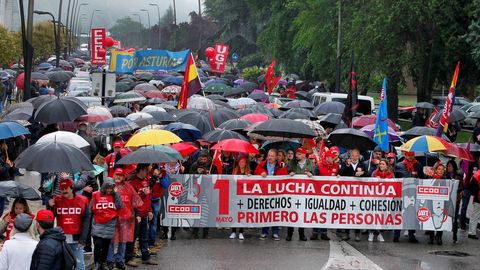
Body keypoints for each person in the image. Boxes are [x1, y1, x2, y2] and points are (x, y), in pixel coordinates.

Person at [48, 178, 91, 270]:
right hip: (62, 239)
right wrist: (50, 207)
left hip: (77, 239)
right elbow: (49, 219)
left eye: (66, 188)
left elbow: (86, 220)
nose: (64, 190)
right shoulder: (56, 200)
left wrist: (83, 239)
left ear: (72, 188)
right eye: (62, 188)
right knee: (63, 265)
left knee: (79, 265)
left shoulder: (83, 200)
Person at [107, 168, 143, 269]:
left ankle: (120, 260)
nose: (118, 177)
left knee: (123, 240)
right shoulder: (109, 186)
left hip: (125, 218)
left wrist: (138, 214)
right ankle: (110, 261)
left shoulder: (128, 187)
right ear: (113, 175)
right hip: (112, 218)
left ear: (123, 177)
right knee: (111, 240)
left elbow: (136, 201)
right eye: (116, 175)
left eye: (120, 175)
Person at [125, 164, 157, 266]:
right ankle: (128, 258)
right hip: (135, 214)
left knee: (144, 237)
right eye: (146, 171)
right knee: (132, 237)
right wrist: (142, 193)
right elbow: (132, 199)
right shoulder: (131, 182)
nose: (147, 173)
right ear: (141, 170)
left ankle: (146, 257)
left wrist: (150, 210)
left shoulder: (146, 179)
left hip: (144, 212)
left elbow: (148, 197)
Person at [255, 149, 288, 240]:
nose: (270, 157)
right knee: (265, 212)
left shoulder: (281, 166)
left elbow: (285, 177)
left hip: (276, 192)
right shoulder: (262, 165)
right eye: (269, 155)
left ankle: (275, 232)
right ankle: (264, 232)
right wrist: (260, 173)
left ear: (276, 157)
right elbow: (256, 172)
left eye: (272, 156)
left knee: (275, 212)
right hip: (265, 192)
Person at [91, 178, 124, 270]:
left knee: (106, 245)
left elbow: (120, 206)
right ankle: (97, 263)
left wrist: (116, 193)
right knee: (98, 244)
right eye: (107, 188)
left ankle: (103, 262)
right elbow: (91, 208)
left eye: (111, 188)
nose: (109, 190)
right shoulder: (96, 194)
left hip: (110, 224)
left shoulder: (114, 196)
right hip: (98, 222)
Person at [286, 147, 314, 241]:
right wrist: (289, 173)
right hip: (293, 193)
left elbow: (315, 175)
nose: (296, 156)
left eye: (298, 154)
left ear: (303, 155)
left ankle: (301, 233)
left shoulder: (310, 163)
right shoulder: (291, 163)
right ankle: (289, 233)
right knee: (291, 212)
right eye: (296, 154)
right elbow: (286, 172)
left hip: (304, 193)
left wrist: (311, 175)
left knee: (302, 213)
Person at [394, 151, 422, 243]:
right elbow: (395, 179)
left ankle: (411, 235)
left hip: (413, 194)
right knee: (399, 213)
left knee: (412, 214)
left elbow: (422, 179)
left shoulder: (418, 165)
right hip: (401, 193)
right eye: (408, 155)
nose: (410, 157)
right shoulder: (398, 166)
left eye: (412, 155)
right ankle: (396, 234)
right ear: (405, 155)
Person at [339, 148, 367, 241]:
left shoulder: (363, 164)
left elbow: (368, 175)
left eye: (356, 156)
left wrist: (362, 172)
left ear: (359, 156)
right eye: (352, 156)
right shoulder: (345, 163)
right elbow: (341, 174)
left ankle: (357, 233)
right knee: (348, 213)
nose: (354, 158)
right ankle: (346, 233)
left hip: (358, 193)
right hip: (347, 192)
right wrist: (347, 166)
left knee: (357, 213)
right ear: (350, 156)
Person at [370, 159, 393, 242]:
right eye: (380, 164)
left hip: (385, 198)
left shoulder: (391, 175)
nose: (381, 165)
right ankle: (373, 233)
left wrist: (384, 181)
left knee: (383, 217)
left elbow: (393, 185)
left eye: (383, 164)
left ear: (387, 166)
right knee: (375, 216)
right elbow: (370, 184)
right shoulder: (374, 173)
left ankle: (379, 233)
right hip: (376, 197)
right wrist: (375, 180)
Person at [229, 156, 251, 240]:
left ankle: (241, 232)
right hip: (235, 195)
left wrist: (250, 177)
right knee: (234, 213)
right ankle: (233, 231)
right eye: (240, 162)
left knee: (242, 214)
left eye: (243, 162)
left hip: (243, 196)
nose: (241, 163)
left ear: (245, 163)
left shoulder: (248, 171)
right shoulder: (234, 170)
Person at [426, 162, 446, 245]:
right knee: (431, 217)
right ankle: (431, 236)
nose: (441, 171)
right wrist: (427, 176)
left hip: (442, 202)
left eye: (442, 169)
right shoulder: (430, 177)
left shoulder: (446, 178)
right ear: (436, 170)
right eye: (439, 169)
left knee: (441, 219)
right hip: (432, 201)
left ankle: (439, 236)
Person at [468, 170, 480, 240]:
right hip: (478, 198)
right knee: (475, 215)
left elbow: (471, 186)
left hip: (477, 197)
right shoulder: (478, 175)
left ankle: (471, 232)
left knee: (474, 215)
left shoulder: (476, 174)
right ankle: (471, 233)